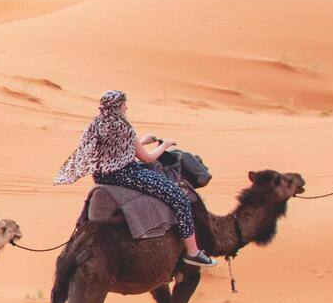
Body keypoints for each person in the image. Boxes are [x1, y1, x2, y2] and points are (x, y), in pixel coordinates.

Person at [55, 90, 214, 266]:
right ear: (118, 107)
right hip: (125, 175)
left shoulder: (95, 125)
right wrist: (165, 145)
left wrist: (141, 141)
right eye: (124, 104)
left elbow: (114, 149)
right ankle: (193, 252)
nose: (126, 107)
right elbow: (146, 158)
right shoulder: (124, 127)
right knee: (179, 198)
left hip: (102, 177)